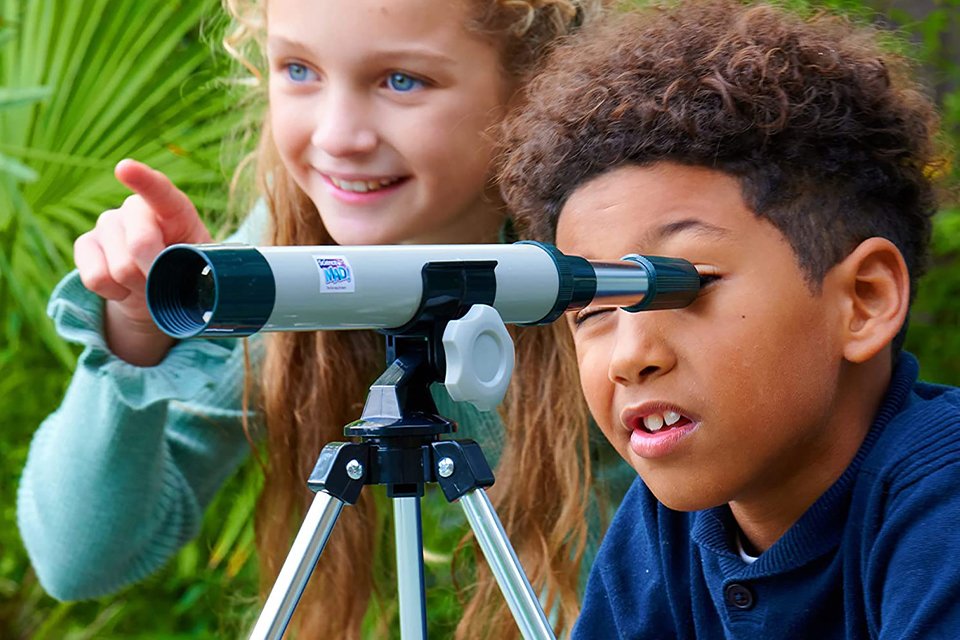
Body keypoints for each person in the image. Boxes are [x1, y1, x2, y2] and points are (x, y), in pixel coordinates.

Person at [16, 0, 630, 637]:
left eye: (401, 81)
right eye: (299, 69)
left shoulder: (606, 252)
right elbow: (78, 559)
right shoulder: (291, 253)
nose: (337, 136)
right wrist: (138, 331)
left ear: (535, 84)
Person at [498, 0, 960, 637]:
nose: (633, 355)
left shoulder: (942, 508)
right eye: (595, 308)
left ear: (864, 301)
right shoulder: (665, 530)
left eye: (686, 285)